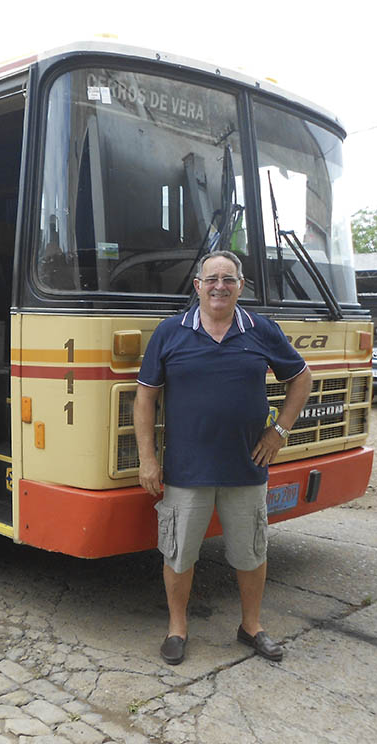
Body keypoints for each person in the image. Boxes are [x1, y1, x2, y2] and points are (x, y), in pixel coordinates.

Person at [134, 250, 312, 665]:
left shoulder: (260, 330)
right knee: (179, 554)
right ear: (197, 286)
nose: (219, 286)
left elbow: (302, 379)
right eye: (211, 278)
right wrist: (148, 458)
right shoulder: (170, 332)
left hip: (247, 468)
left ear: (240, 287)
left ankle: (252, 626)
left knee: (252, 552)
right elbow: (145, 397)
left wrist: (279, 432)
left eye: (228, 279)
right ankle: (177, 629)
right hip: (186, 471)